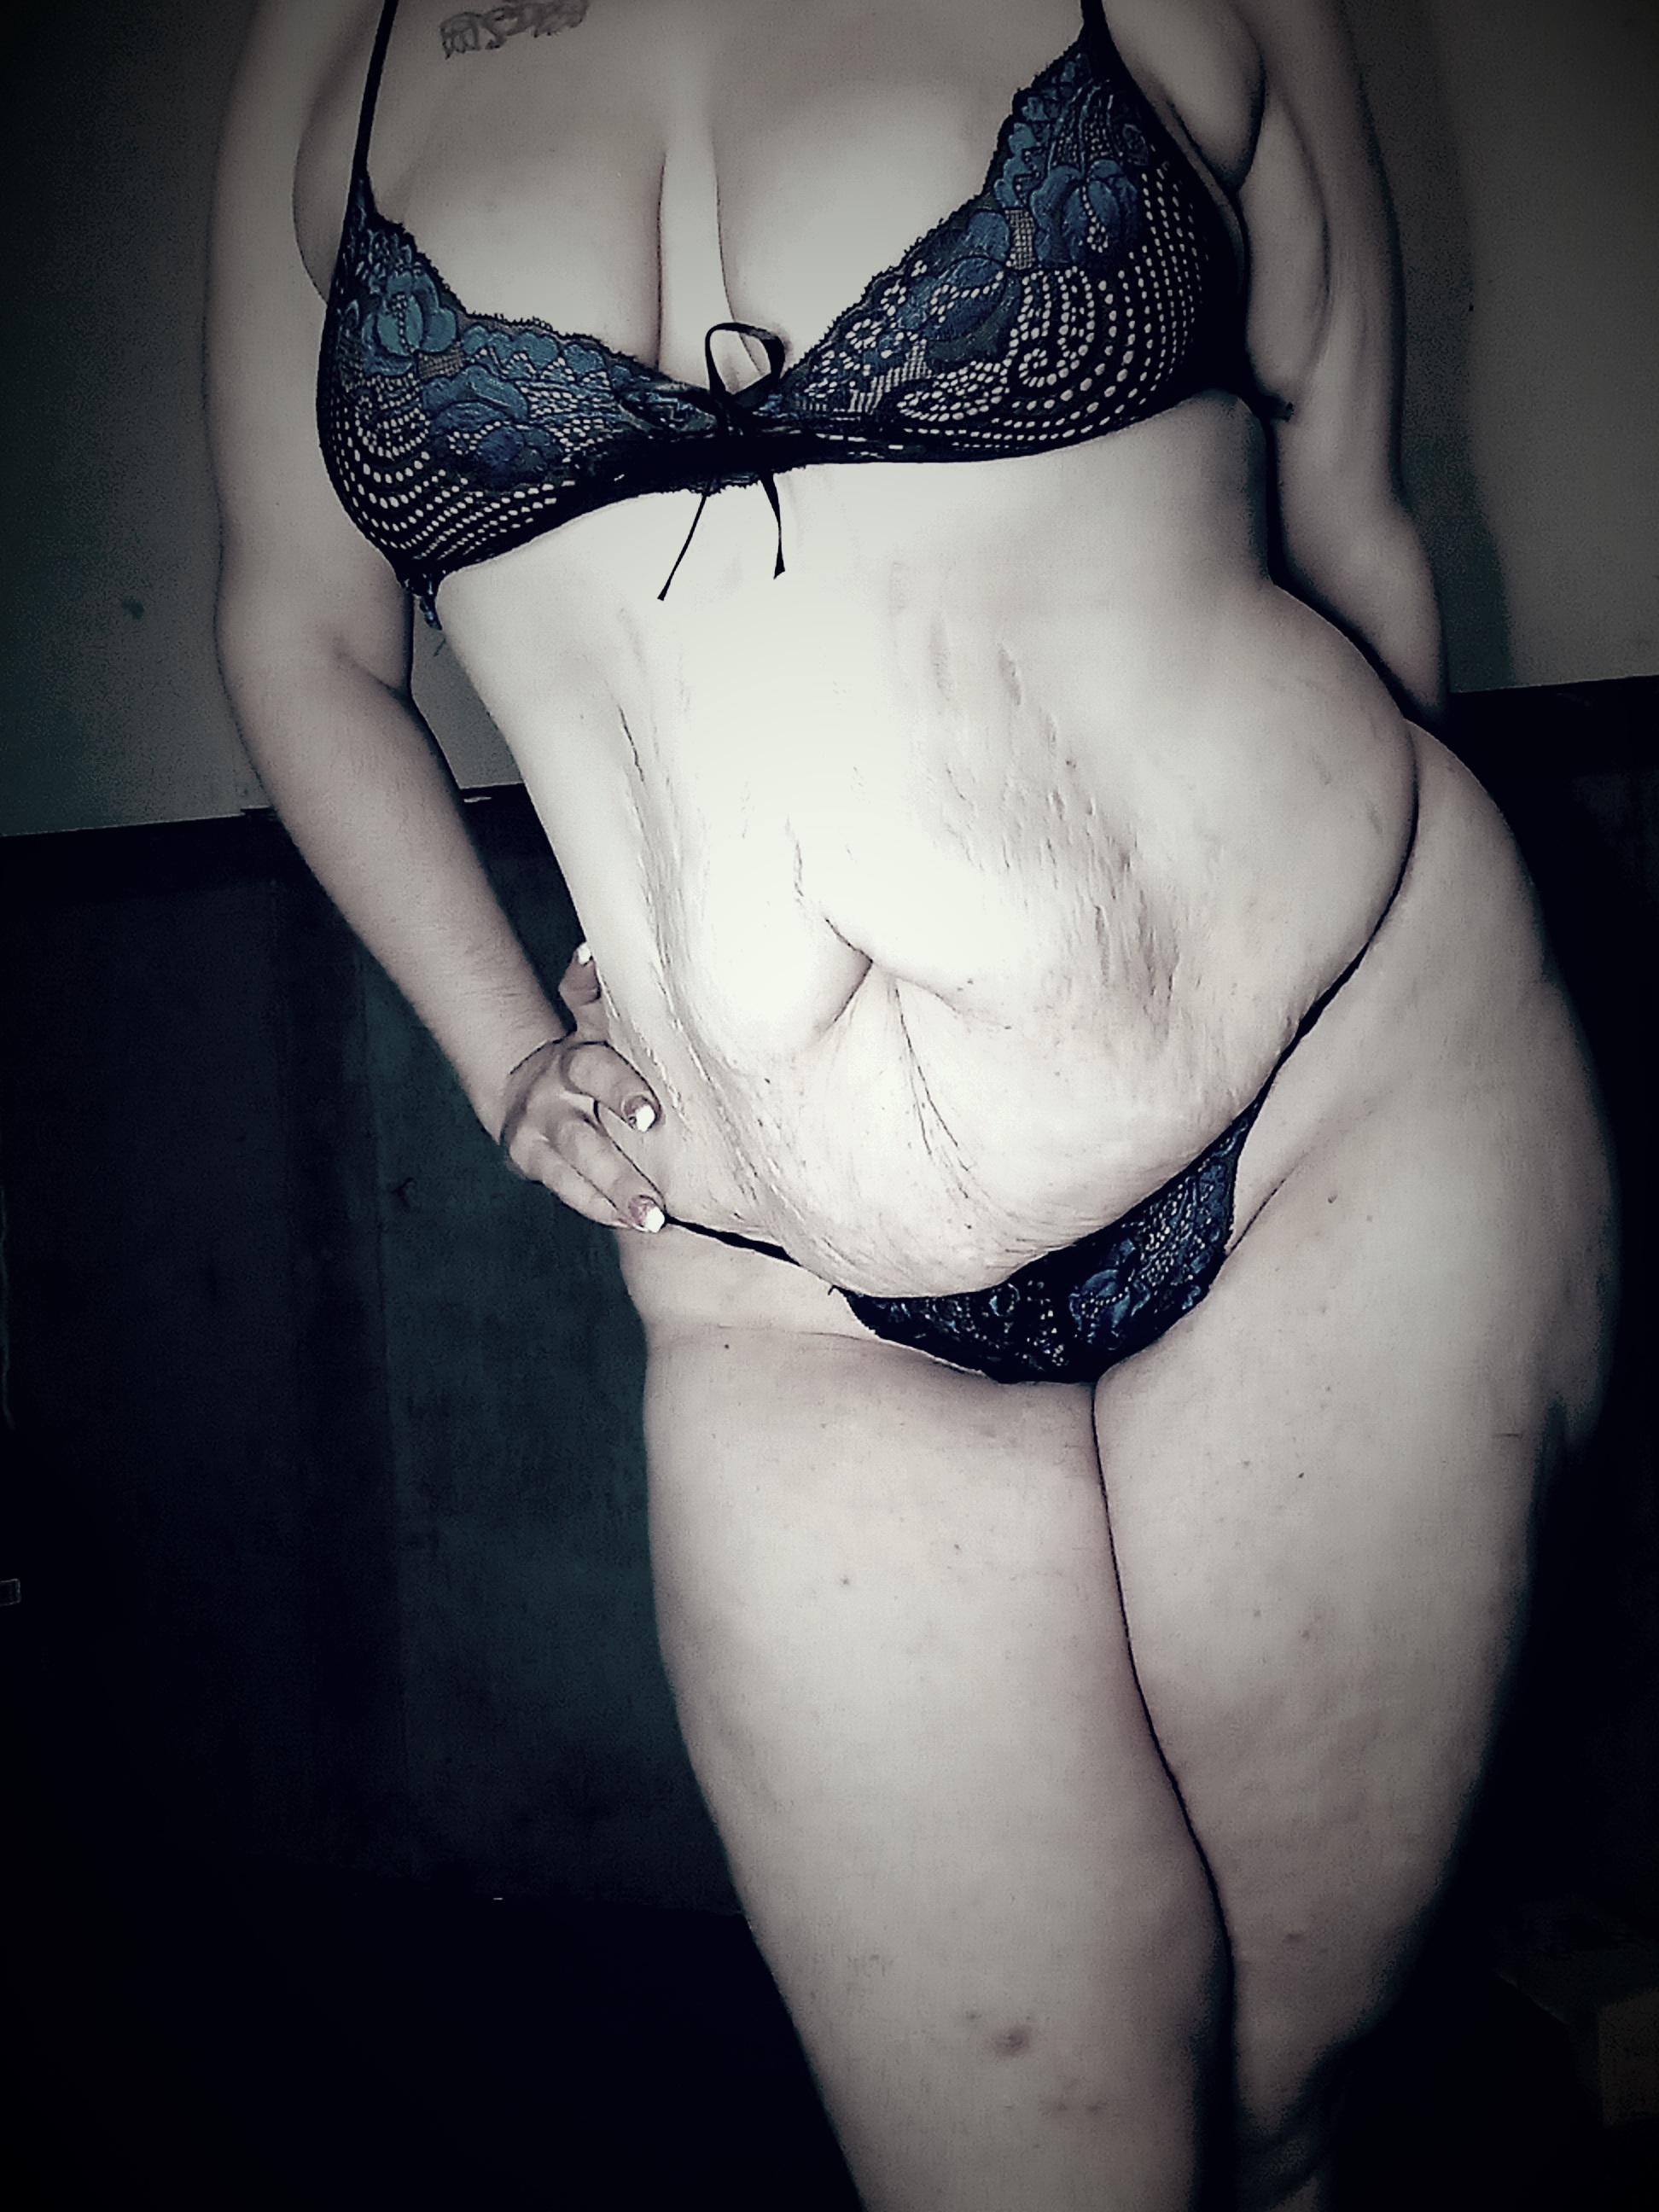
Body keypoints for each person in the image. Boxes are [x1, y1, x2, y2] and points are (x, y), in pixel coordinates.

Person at [208, 1, 1615, 2202]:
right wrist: (503, 1049)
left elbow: (1352, 516)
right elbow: (296, 635)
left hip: (1330, 1097)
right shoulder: (333, 44)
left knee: (1287, 2123)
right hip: (779, 1284)